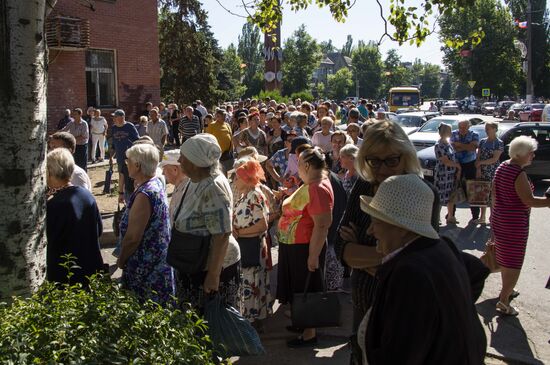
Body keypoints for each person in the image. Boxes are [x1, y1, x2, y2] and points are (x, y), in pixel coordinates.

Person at [335, 120, 440, 365]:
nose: (382, 169)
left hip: (399, 311)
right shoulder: (363, 185)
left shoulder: (423, 194)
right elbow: (340, 246)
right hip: (362, 303)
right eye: (374, 160)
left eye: (391, 160)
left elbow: (421, 263)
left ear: (406, 157)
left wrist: (362, 254)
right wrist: (390, 258)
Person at [359, 174, 486, 364]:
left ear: (402, 227)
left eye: (376, 222)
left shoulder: (410, 273)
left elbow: (399, 355)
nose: (370, 230)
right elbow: (476, 271)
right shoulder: (441, 246)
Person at [172, 134, 241, 312]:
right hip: (196, 262)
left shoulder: (213, 187)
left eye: (183, 157)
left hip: (212, 266)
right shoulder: (197, 179)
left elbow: (222, 234)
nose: (179, 161)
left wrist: (213, 275)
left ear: (195, 162)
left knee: (211, 326)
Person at [277, 146, 334, 348]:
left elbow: (322, 224)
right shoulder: (312, 182)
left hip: (304, 248)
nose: (296, 167)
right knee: (298, 288)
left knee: (306, 288)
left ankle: (309, 333)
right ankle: (302, 323)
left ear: (308, 165)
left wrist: (312, 256)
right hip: (295, 246)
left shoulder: (317, 187)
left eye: (299, 163)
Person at [491, 136, 550, 316]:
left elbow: (493, 195)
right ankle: (504, 299)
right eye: (531, 153)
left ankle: (507, 290)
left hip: (501, 220)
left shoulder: (503, 167)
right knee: (514, 263)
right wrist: (548, 203)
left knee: (506, 259)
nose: (533, 156)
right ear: (522, 154)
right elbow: (529, 200)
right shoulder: (518, 173)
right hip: (514, 225)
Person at [115, 144, 175, 305]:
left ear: (137, 165)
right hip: (156, 262)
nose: (125, 163)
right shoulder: (154, 184)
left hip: (147, 267)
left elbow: (133, 237)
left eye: (128, 160)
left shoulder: (145, 194)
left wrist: (121, 258)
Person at [46, 148, 104, 286]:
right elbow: (99, 229)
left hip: (66, 273)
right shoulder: (86, 195)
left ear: (49, 172)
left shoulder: (55, 204)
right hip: (90, 265)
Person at [232, 158, 273, 329]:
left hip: (251, 247)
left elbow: (262, 225)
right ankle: (252, 321)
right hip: (249, 246)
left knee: (251, 284)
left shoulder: (254, 195)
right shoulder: (247, 194)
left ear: (246, 179)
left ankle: (252, 323)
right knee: (250, 284)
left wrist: (239, 232)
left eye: (237, 177)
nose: (234, 181)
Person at [451, 120, 480, 221]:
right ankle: (451, 214)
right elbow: (453, 147)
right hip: (457, 164)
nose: (462, 129)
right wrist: (466, 146)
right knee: (454, 188)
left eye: (464, 127)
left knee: (472, 188)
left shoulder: (474, 134)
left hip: (470, 164)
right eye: (460, 127)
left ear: (469, 127)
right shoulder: (453, 134)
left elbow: (473, 148)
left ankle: (475, 216)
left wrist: (460, 145)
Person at [475, 121, 504, 224]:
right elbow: (478, 157)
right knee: (482, 195)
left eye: (488, 128)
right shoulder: (482, 141)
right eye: (486, 129)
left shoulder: (498, 143)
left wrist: (481, 163)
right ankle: (482, 217)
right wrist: (478, 168)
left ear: (495, 129)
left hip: (493, 172)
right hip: (482, 172)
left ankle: (493, 218)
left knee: (493, 195)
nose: (486, 131)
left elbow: (495, 159)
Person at [434, 123, 462, 224]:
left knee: (451, 195)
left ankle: (450, 217)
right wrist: (457, 166)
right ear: (445, 132)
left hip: (451, 174)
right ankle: (436, 218)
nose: (451, 132)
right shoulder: (439, 145)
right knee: (440, 196)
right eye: (449, 130)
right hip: (442, 174)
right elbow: (445, 161)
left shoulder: (448, 143)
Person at [110, 109, 139, 203]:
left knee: (130, 178)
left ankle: (132, 196)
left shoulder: (129, 126)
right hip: (119, 157)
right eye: (113, 116)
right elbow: (113, 144)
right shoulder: (113, 128)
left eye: (115, 116)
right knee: (121, 175)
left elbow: (137, 141)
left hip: (130, 159)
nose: (113, 118)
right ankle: (122, 195)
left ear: (122, 117)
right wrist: (111, 157)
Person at [160, 150, 188, 222]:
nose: (163, 173)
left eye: (164, 169)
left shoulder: (187, 191)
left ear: (175, 170)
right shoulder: (179, 185)